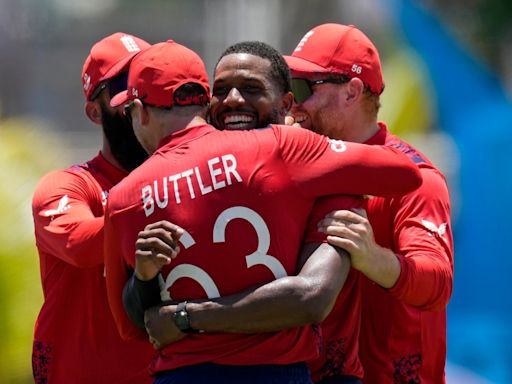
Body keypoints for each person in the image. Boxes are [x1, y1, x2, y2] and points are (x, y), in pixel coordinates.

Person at [104, 39, 422, 384]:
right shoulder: (287, 148)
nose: (234, 100)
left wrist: (185, 316)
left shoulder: (124, 196)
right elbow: (403, 171)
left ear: (142, 111)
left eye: (251, 88)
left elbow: (136, 326)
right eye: (221, 90)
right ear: (204, 102)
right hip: (278, 373)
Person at [285, 24, 454, 383]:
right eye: (288, 88)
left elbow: (438, 283)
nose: (293, 104)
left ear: (353, 91)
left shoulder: (415, 178)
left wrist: (372, 257)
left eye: (303, 87)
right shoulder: (299, 168)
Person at [31, 32, 155, 384]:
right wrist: (171, 203)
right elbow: (81, 245)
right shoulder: (67, 186)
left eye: (145, 78)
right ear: (93, 112)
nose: (135, 95)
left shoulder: (188, 177)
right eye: (120, 85)